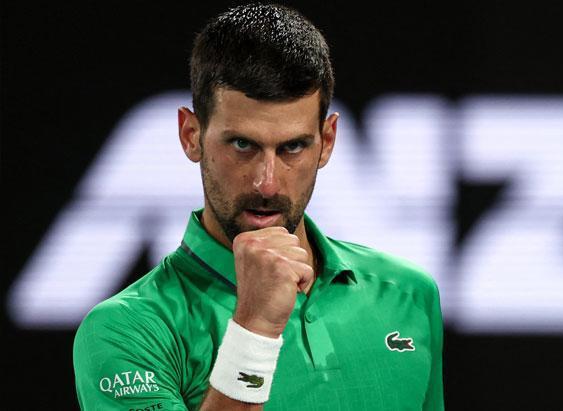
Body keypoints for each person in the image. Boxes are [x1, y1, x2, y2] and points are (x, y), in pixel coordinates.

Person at [73, 3, 444, 410]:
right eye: (242, 145)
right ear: (191, 135)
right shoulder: (127, 330)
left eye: (293, 147)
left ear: (327, 141)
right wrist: (255, 326)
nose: (267, 183)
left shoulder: (409, 294)